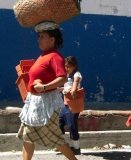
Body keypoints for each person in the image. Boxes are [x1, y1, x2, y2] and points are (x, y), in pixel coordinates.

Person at [17, 21, 77, 160]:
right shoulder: (43, 56)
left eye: (42, 36)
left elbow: (62, 78)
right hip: (36, 103)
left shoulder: (55, 57)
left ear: (52, 39)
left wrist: (43, 87)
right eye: (39, 37)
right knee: (29, 136)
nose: (39, 39)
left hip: (46, 105)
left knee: (53, 138)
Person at [59, 56, 83, 155]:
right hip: (64, 104)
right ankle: (63, 145)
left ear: (74, 66)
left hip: (73, 104)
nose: (66, 68)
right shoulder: (65, 76)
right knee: (59, 123)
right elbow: (64, 88)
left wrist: (73, 89)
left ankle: (76, 147)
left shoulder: (76, 74)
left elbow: (76, 82)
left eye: (69, 66)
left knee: (72, 125)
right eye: (65, 66)